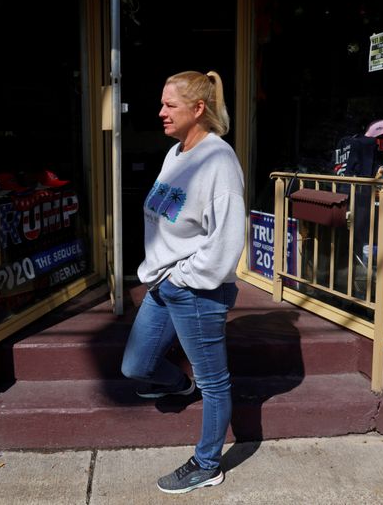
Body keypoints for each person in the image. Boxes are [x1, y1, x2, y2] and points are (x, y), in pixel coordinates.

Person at [120, 70, 246, 494]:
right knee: (136, 366)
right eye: (162, 103)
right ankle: (181, 385)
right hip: (165, 283)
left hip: (195, 289)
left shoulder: (219, 161)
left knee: (216, 382)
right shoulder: (176, 153)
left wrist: (184, 278)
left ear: (198, 109)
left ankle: (208, 464)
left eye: (169, 105)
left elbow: (227, 239)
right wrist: (165, 277)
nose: (160, 112)